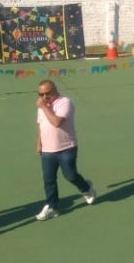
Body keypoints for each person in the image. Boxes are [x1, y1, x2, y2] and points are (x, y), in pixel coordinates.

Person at [35, 81, 96, 220]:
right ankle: (52, 206)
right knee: (48, 179)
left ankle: (86, 188)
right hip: (47, 150)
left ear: (55, 90)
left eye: (47, 93)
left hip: (66, 148)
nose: (44, 97)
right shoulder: (42, 106)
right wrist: (39, 143)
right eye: (41, 94)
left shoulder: (64, 102)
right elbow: (40, 125)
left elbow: (56, 122)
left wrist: (44, 107)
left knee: (71, 175)